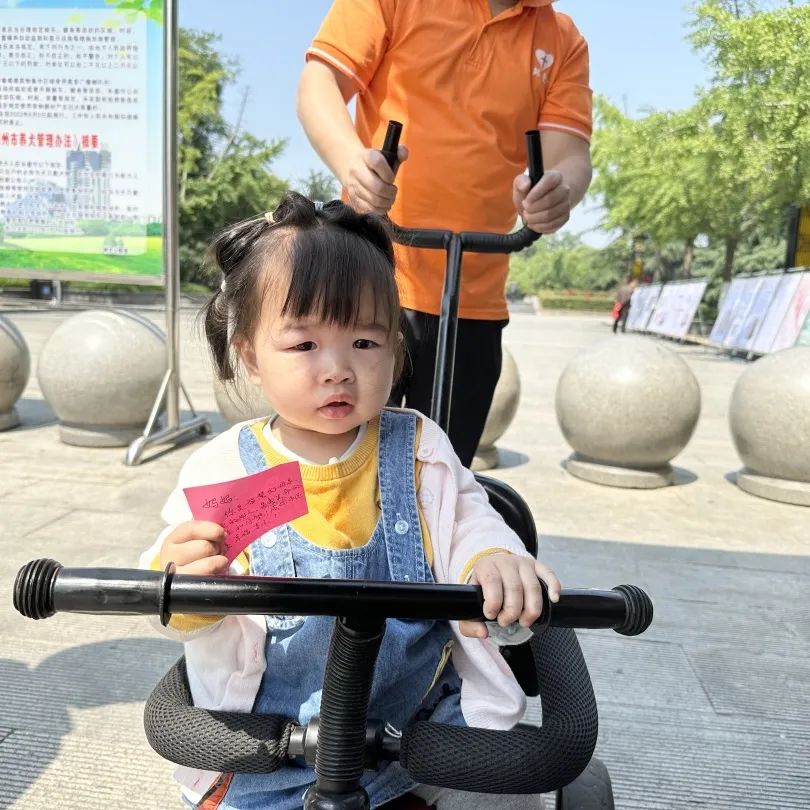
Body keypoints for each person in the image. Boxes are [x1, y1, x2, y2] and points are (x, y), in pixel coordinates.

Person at [139, 192, 561, 810]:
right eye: (304, 346)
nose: (337, 368)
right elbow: (175, 586)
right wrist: (181, 584)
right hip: (268, 748)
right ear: (252, 357)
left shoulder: (418, 449)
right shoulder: (224, 466)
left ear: (395, 347)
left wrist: (492, 559)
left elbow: (467, 517)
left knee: (503, 795)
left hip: (414, 738)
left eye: (364, 343)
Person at [297, 0, 593, 466]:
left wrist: (558, 191)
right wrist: (353, 164)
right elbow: (319, 84)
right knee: (336, 467)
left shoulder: (561, 37)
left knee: (445, 479)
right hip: (371, 276)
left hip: (474, 294)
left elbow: (569, 155)